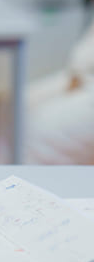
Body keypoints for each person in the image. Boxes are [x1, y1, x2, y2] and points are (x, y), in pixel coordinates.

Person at [25, 19, 94, 164]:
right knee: (15, 109)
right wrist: (79, 69)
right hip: (80, 75)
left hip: (87, 83)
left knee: (29, 134)